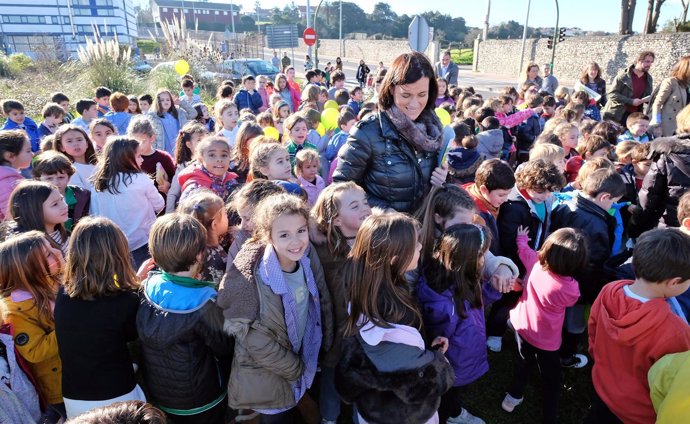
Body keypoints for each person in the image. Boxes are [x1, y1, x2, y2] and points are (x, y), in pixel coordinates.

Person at [335, 212, 455, 424]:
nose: (420, 248)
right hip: (404, 415)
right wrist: (437, 360)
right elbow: (415, 376)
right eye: (416, 246)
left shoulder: (365, 286)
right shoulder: (394, 312)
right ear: (394, 259)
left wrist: (425, 347)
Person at [218, 193, 328, 421]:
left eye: (301, 231)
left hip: (301, 358)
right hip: (270, 376)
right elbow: (253, 339)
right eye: (284, 235)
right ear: (268, 236)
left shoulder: (306, 262)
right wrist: (294, 368)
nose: (296, 241)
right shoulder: (257, 278)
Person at [586, 228, 690, 424]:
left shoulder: (609, 290)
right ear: (674, 282)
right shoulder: (675, 331)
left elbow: (593, 331)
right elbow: (675, 384)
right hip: (638, 413)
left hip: (602, 386)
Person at [137, 214, 233, 424]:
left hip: (160, 395)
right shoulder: (204, 303)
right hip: (202, 399)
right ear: (200, 255)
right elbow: (225, 347)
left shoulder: (147, 286)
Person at [333, 52, 449, 213]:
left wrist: (443, 180)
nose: (414, 103)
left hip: (423, 232)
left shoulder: (434, 130)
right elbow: (340, 188)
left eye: (422, 94)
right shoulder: (367, 132)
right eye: (406, 95)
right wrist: (382, 211)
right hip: (383, 233)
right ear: (391, 90)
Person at [54, 217, 145, 419]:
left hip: (74, 395)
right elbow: (132, 334)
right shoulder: (125, 300)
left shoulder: (63, 294)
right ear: (117, 254)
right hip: (117, 395)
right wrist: (140, 285)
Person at [502, 228, 589, 423]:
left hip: (522, 326)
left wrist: (522, 238)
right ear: (577, 263)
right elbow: (571, 303)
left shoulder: (534, 262)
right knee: (552, 378)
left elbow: (523, 250)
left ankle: (512, 397)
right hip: (547, 340)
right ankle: (549, 416)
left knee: (523, 362)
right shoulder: (570, 288)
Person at [418, 224, 500, 424]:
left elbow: (474, 304)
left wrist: (494, 288)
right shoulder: (445, 305)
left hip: (464, 353)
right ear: (467, 260)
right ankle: (450, 416)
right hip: (455, 361)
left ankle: (453, 411)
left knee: (452, 393)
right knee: (447, 394)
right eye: (482, 255)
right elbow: (439, 342)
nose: (484, 260)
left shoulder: (461, 278)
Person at [550, 168, 626, 367]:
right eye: (613, 201)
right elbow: (594, 263)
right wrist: (594, 289)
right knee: (574, 322)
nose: (614, 206)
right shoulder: (595, 223)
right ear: (604, 197)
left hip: (559, 274)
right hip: (581, 284)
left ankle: (553, 345)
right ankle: (566, 356)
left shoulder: (567, 204)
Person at [0, 231, 65, 423]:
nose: (57, 251)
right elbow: (35, 351)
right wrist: (71, 326)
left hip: (79, 369)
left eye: (52, 246)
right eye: (47, 254)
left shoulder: (53, 283)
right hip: (60, 388)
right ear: (28, 270)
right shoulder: (17, 310)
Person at [89, 137, 164, 267]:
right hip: (143, 241)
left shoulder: (97, 185)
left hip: (114, 245)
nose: (142, 160)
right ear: (127, 158)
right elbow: (159, 205)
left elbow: (94, 213)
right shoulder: (141, 179)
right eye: (139, 156)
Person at [631, 104, 690, 234]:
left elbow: (649, 196)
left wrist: (636, 229)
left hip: (674, 227)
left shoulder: (666, 152)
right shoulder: (667, 151)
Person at [178, 191, 229, 286]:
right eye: (225, 213)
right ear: (214, 224)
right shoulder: (217, 259)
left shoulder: (188, 249)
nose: (228, 216)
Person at [31, 151, 90, 232]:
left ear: (69, 178)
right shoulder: (33, 200)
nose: (55, 182)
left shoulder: (82, 196)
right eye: (49, 178)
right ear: (38, 179)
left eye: (61, 177)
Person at [6, 181, 70, 253]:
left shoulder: (61, 232)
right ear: (33, 211)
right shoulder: (30, 247)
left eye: (62, 199)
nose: (64, 206)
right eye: (55, 204)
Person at [178, 136, 239, 203]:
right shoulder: (196, 188)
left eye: (224, 155)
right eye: (212, 155)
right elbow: (186, 212)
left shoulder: (232, 182)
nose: (219, 159)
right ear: (201, 159)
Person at [127, 115, 175, 198]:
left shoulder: (164, 157)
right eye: (134, 141)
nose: (138, 146)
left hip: (161, 205)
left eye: (142, 141)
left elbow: (175, 179)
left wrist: (168, 184)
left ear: (152, 138)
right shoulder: (129, 159)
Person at [602, 50, 655, 125]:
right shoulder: (623, 76)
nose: (649, 64)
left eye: (651, 62)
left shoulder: (648, 79)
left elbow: (647, 97)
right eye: (647, 61)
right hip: (617, 115)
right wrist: (631, 101)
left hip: (634, 116)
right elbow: (611, 94)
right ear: (638, 61)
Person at [166, 122, 208, 212]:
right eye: (199, 140)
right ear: (189, 144)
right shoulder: (183, 167)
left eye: (206, 139)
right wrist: (169, 214)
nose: (204, 143)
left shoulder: (212, 163)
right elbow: (173, 194)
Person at [650, 55, 690, 137]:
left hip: (684, 126)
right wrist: (656, 124)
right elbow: (657, 103)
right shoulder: (671, 82)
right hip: (668, 126)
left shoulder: (687, 84)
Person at [146, 89, 193, 156]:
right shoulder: (153, 116)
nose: (166, 102)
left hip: (180, 149)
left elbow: (193, 113)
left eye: (168, 100)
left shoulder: (178, 113)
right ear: (158, 102)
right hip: (164, 151)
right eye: (162, 100)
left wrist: (181, 103)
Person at [52, 125, 98, 190]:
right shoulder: (67, 170)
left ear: (87, 143)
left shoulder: (99, 164)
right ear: (61, 147)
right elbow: (81, 196)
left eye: (79, 140)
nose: (76, 144)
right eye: (69, 141)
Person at [0, 130, 32, 220]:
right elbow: (13, 219)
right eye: (28, 151)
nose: (32, 154)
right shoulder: (9, 184)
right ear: (11, 156)